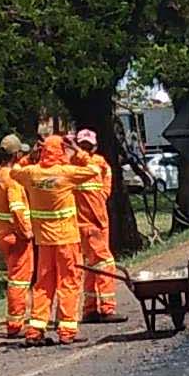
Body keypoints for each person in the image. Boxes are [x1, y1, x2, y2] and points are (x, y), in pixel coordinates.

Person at [21, 128, 89, 343]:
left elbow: (15, 170)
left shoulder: (31, 173)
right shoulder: (66, 173)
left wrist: (30, 156)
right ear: (61, 151)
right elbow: (94, 169)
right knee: (69, 282)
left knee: (43, 284)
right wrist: (77, 150)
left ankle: (35, 329)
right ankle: (67, 331)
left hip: (44, 240)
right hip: (67, 239)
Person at [0, 135, 36, 341]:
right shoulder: (12, 179)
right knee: (19, 281)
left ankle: (16, 321)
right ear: (15, 154)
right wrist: (27, 233)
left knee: (15, 278)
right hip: (16, 236)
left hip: (2, 234)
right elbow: (17, 209)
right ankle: (16, 324)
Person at [70, 127, 121, 323]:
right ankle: (106, 309)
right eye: (81, 144)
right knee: (104, 264)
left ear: (95, 147)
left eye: (87, 146)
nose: (83, 149)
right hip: (88, 225)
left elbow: (103, 190)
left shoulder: (98, 164)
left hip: (98, 223)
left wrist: (77, 152)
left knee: (92, 265)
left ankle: (90, 309)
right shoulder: (74, 164)